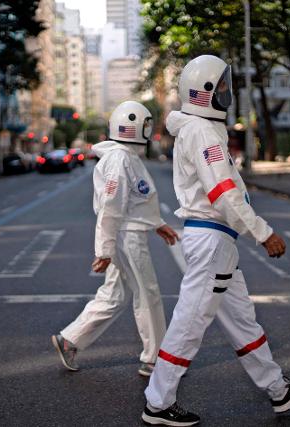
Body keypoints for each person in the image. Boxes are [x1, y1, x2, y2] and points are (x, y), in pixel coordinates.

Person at [142, 55, 290, 426]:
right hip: (212, 240)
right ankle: (157, 403)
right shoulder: (203, 133)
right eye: (221, 87)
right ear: (205, 92)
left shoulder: (200, 129)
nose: (227, 92)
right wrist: (263, 232)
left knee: (242, 321)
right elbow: (223, 193)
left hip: (216, 241)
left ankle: (277, 389)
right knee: (190, 322)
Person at [52, 101, 179, 378]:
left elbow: (136, 199)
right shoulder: (119, 159)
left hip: (127, 232)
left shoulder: (126, 157)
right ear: (133, 125)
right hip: (126, 237)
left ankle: (70, 339)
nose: (148, 129)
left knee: (115, 294)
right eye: (145, 124)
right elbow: (111, 205)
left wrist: (157, 223)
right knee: (148, 293)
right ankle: (156, 358)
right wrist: (105, 250)